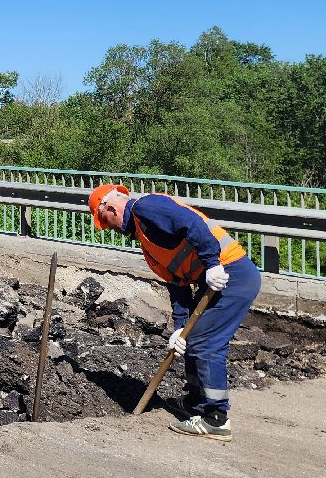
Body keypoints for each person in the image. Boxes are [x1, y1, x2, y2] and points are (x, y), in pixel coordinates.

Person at [88, 183, 262, 441]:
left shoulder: (147, 207)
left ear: (111, 208)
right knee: (192, 338)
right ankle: (195, 403)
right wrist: (180, 326)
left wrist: (213, 264)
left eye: (105, 221)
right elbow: (177, 283)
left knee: (206, 343)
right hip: (213, 278)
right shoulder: (146, 240)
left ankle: (215, 418)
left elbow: (192, 223)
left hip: (229, 273)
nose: (110, 227)